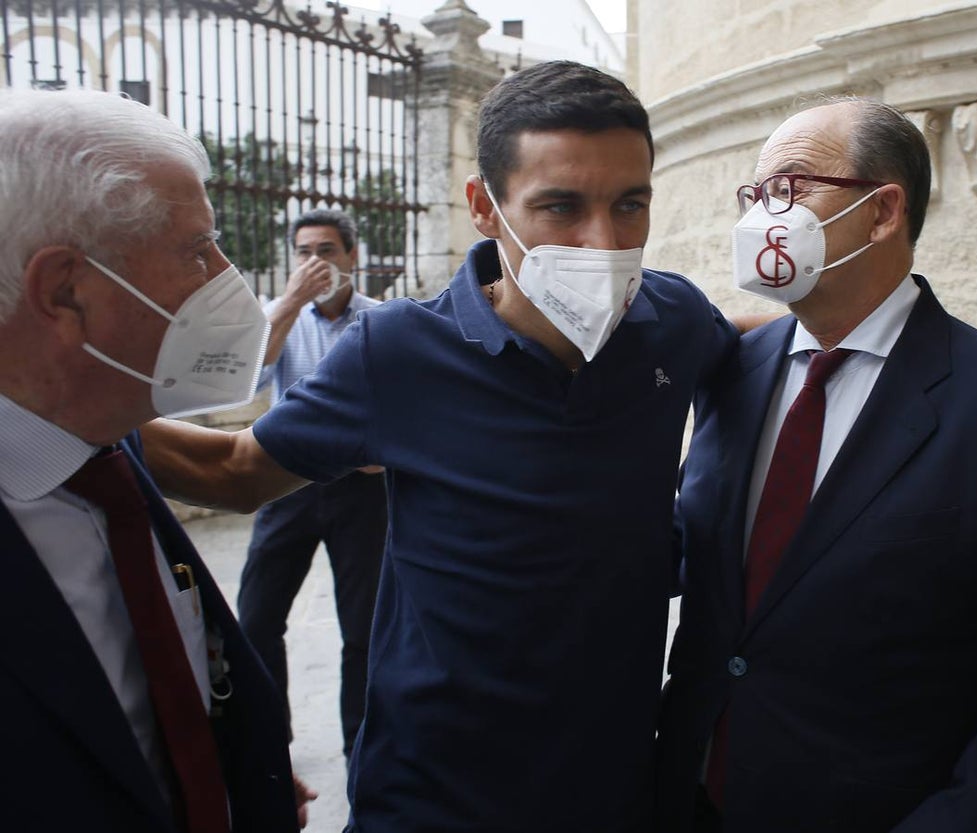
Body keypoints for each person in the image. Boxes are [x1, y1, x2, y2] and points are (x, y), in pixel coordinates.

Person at [141, 60, 742, 832]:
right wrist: (59, 403)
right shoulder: (397, 351)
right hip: (432, 791)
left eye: (631, 204)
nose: (602, 242)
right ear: (484, 207)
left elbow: (756, 356)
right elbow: (233, 470)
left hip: (616, 784)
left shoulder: (676, 321)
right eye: (560, 206)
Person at [656, 98, 977, 833]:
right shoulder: (731, 370)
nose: (760, 217)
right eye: (754, 195)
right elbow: (691, 556)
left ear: (882, 211)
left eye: (790, 188)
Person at [0, 88, 315, 831]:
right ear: (67, 290)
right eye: (197, 247)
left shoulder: (108, 438)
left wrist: (231, 770)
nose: (225, 278)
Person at [238, 207, 387, 761]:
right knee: (255, 619)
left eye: (327, 250)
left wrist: (384, 454)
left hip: (360, 490)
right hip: (285, 485)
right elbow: (249, 380)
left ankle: (363, 747)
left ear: (352, 256)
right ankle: (268, 743)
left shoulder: (380, 320)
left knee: (365, 628)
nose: (315, 262)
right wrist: (292, 301)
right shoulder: (276, 316)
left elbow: (404, 402)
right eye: (303, 252)